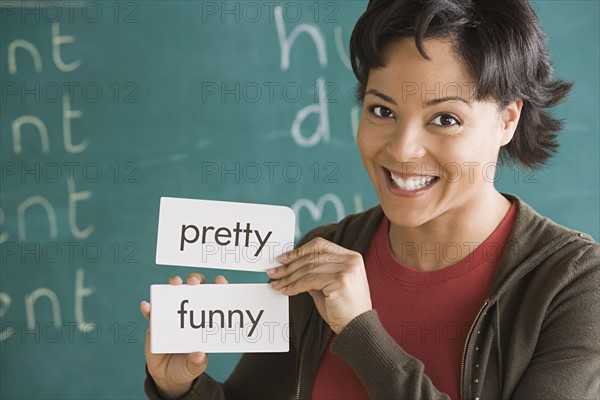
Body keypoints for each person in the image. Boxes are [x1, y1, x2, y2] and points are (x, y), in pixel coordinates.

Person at [141, 0, 600, 398]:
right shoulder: (326, 255)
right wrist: (182, 387)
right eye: (382, 111)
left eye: (444, 120)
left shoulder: (572, 285)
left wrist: (361, 332)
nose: (401, 149)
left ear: (508, 120)